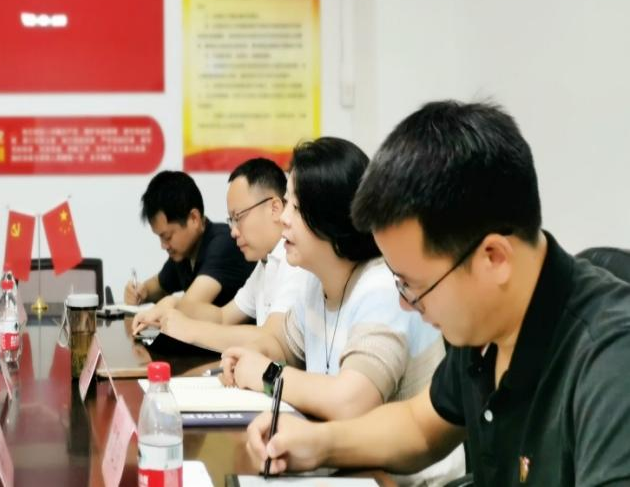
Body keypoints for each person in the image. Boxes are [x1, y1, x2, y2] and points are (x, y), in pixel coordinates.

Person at [246, 101, 630, 486]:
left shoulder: (610, 365)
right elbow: (419, 425)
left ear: (494, 258)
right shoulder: (485, 323)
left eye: (414, 285)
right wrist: (319, 444)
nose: (405, 304)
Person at [221, 137, 460, 485]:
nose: (283, 219)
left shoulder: (382, 288)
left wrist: (267, 374)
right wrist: (247, 356)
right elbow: (282, 344)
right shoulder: (315, 282)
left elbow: (350, 402)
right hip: (352, 469)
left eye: (295, 207)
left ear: (331, 219)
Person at [133, 158, 311, 352]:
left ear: (274, 208)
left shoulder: (295, 262)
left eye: (238, 217)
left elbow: (272, 338)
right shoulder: (266, 263)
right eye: (231, 220)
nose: (233, 232)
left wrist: (190, 329)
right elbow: (223, 317)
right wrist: (172, 305)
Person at [123, 170, 251, 312]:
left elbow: (190, 306)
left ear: (194, 218)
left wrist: (167, 303)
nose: (163, 245)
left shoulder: (223, 244)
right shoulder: (185, 253)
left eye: (167, 237)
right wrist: (140, 292)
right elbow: (158, 286)